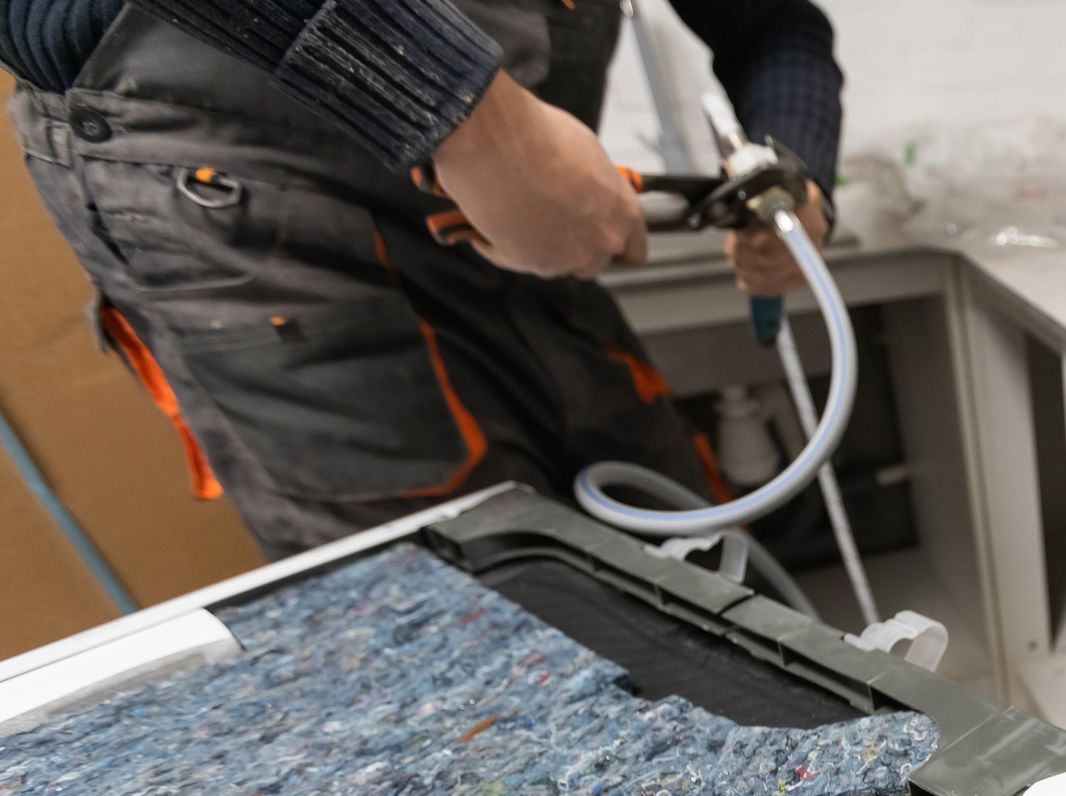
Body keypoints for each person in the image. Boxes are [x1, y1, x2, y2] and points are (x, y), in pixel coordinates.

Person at [0, 0, 840, 557]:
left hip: (510, 236)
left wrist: (793, 171)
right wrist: (473, 120)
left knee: (701, 572)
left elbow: (773, 25)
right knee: (480, 637)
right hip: (252, 193)